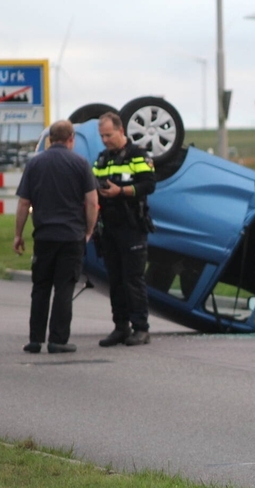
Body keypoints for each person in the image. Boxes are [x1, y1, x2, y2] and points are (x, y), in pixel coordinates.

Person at [13, 120, 98, 354]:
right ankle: (58, 340)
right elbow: (92, 202)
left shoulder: (35, 164)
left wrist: (18, 234)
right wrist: (89, 230)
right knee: (64, 288)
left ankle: (35, 339)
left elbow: (23, 203)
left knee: (40, 287)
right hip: (71, 236)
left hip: (44, 236)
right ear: (71, 139)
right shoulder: (80, 164)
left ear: (50, 139)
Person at [93, 112, 157, 347]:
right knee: (116, 280)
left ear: (121, 131)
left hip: (132, 226)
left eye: (109, 135)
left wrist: (121, 192)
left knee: (133, 279)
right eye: (102, 136)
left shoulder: (138, 155)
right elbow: (93, 183)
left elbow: (149, 185)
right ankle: (121, 326)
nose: (105, 140)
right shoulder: (102, 159)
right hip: (108, 227)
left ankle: (141, 328)